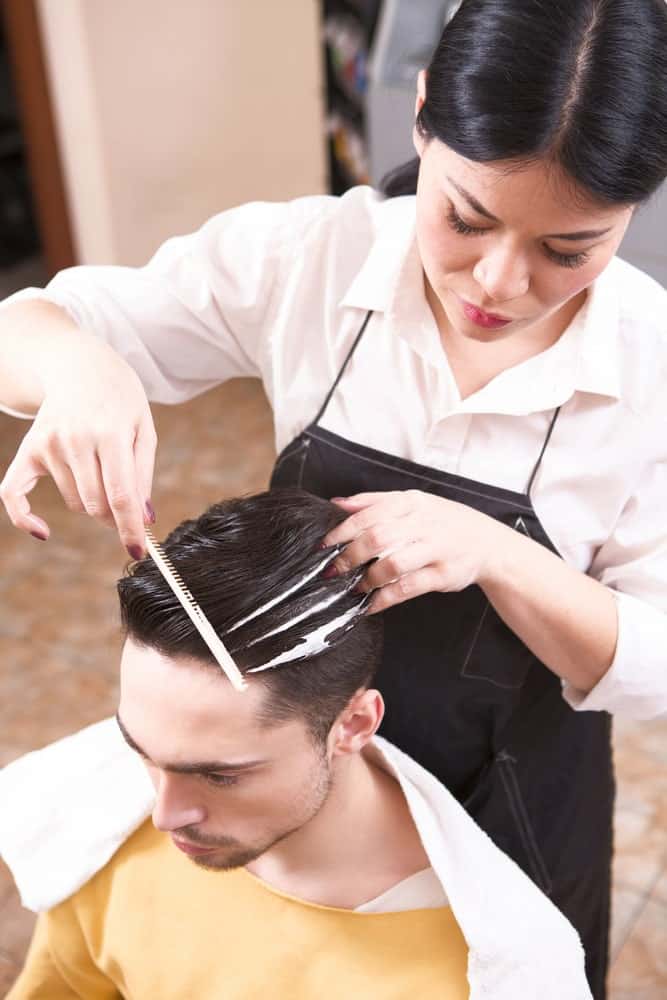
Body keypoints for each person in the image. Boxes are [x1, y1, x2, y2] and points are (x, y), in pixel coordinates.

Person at [0, 1, 666, 995]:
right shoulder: (314, 258)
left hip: (511, 785)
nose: (498, 281)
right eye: (464, 217)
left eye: (565, 252)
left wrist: (495, 551)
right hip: (285, 763)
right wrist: (81, 368)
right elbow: (34, 327)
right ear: (423, 112)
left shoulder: (649, 366)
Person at [2, 491, 591, 999]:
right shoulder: (96, 838)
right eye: (142, 752)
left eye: (220, 775)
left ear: (354, 725)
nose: (163, 814)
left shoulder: (470, 973)